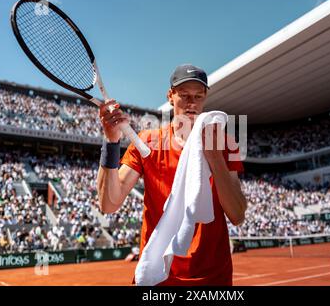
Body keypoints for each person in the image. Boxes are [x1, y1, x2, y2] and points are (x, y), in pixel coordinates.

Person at [97, 64, 247, 286]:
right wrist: (111, 142)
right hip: (159, 278)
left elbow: (237, 215)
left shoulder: (226, 145)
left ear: (206, 97)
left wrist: (214, 157)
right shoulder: (148, 141)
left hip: (213, 278)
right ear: (170, 96)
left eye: (198, 96)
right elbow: (108, 204)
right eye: (184, 95)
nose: (191, 103)